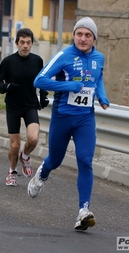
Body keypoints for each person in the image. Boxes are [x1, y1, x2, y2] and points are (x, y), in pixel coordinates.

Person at [28, 17, 110, 231]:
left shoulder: (99, 58)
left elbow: (98, 78)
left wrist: (102, 96)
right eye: (79, 34)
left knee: (85, 160)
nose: (83, 39)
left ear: (94, 38)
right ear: (74, 35)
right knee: (55, 160)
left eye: (88, 35)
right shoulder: (64, 56)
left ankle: (84, 210)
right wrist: (67, 85)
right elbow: (39, 80)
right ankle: (43, 173)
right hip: (63, 115)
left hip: (85, 118)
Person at [0, 28, 49, 187]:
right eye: (22, 42)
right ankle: (12, 172)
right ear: (17, 43)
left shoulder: (37, 61)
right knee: (15, 145)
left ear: (32, 44)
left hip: (30, 104)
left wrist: (43, 95)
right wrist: (6, 86)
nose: (25, 45)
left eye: (28, 43)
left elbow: (41, 80)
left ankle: (25, 156)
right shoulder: (8, 62)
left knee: (33, 138)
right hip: (13, 107)